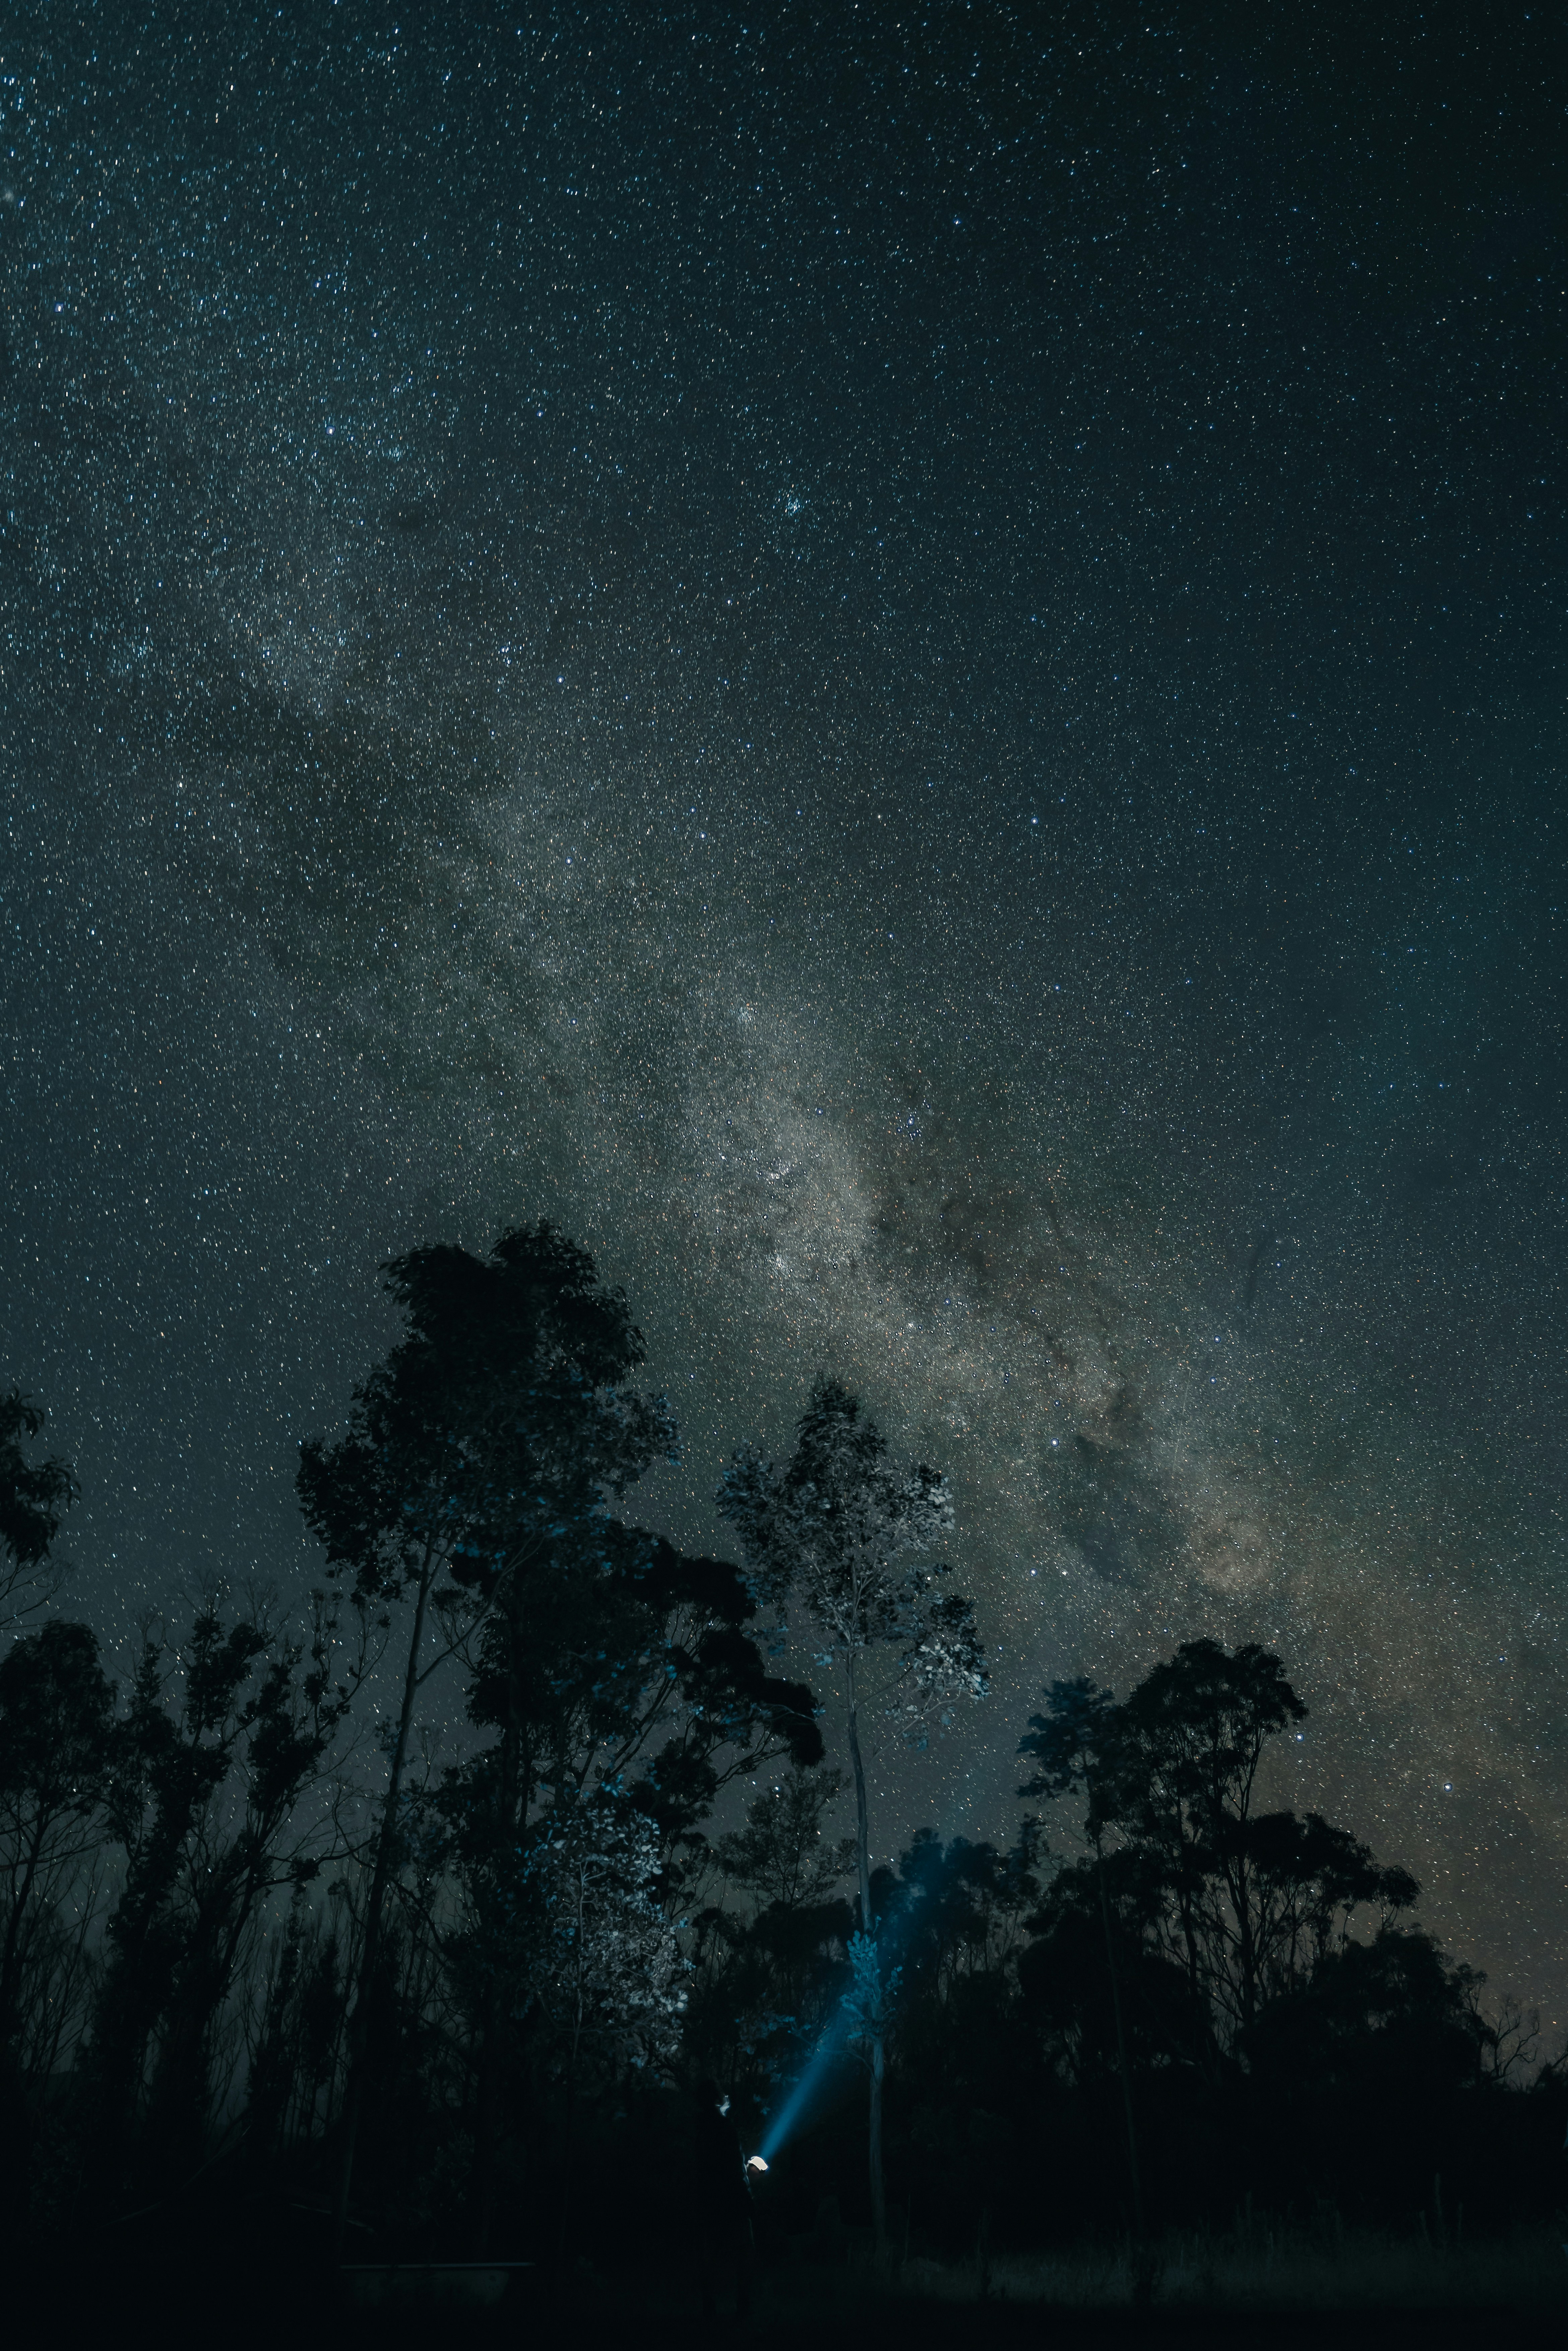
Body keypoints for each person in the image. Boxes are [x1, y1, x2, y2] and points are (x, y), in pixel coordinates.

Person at [691, 2077, 755, 2319]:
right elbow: (734, 2166)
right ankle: (743, 2306)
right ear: (716, 2098)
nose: (725, 2095)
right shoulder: (724, 2128)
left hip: (707, 2196)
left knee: (710, 2251)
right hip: (730, 2197)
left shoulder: (699, 2126)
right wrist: (747, 2195)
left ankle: (709, 2306)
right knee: (744, 2249)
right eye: (720, 2092)